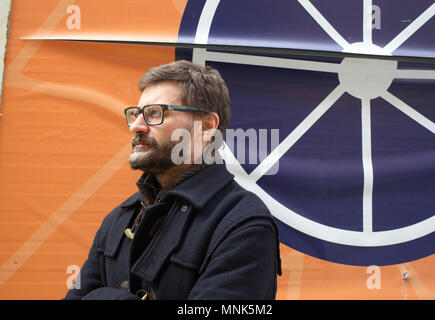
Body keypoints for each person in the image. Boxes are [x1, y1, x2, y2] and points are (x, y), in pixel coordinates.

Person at [64, 60, 281, 300]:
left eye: (154, 113)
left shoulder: (244, 224)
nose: (136, 126)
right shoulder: (118, 219)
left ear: (206, 126)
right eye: (135, 114)